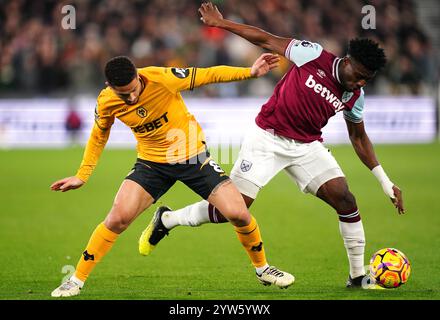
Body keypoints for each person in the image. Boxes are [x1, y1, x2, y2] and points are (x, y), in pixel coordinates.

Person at [139, 2, 405, 289]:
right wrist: (222, 23)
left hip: (307, 146)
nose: (360, 82)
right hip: (267, 137)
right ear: (348, 60)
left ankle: (356, 277)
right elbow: (265, 38)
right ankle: (168, 219)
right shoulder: (313, 55)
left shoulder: (356, 95)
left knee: (346, 201)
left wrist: (384, 181)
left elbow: (359, 137)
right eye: (359, 74)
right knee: (232, 211)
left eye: (367, 79)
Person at [50, 53, 295, 297]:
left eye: (134, 89)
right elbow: (99, 134)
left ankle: (263, 269)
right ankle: (75, 280)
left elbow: (207, 75)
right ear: (109, 87)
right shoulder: (106, 102)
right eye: (124, 95)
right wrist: (83, 175)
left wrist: (248, 72)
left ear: (138, 75)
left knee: (238, 213)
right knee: (117, 219)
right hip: (152, 164)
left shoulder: (162, 78)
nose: (132, 97)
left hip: (194, 158)